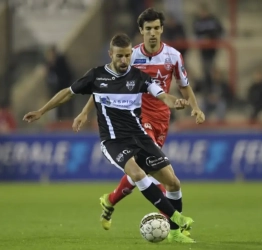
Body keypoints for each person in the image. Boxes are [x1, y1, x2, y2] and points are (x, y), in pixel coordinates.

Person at [23, 33, 196, 243]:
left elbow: (162, 95)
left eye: (127, 56)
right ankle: (177, 219)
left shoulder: (138, 77)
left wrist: (174, 102)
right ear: (110, 54)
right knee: (137, 174)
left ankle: (175, 233)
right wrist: (41, 111)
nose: (124, 61)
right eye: (119, 56)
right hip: (113, 141)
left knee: (173, 182)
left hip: (139, 137)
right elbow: (68, 92)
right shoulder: (96, 76)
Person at [72, 8, 205, 240]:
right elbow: (105, 86)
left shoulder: (173, 56)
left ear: (162, 29)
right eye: (148, 29)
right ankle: (175, 226)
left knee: (147, 176)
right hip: (138, 119)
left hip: (163, 118)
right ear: (141, 31)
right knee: (155, 175)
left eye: (156, 28)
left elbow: (184, 85)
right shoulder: (129, 56)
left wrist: (195, 107)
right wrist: (85, 112)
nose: (153, 33)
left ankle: (110, 200)